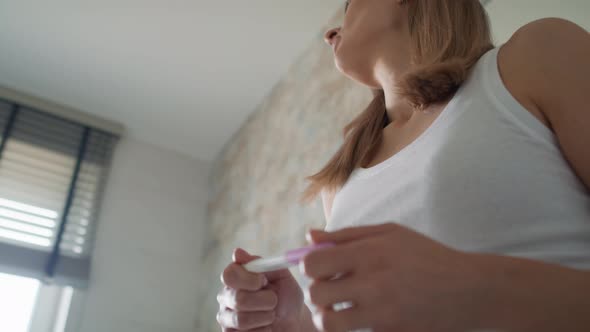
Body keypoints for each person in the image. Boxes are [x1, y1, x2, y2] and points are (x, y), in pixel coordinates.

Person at [216, 0, 590, 331]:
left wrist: (476, 289)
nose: (330, 31)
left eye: (350, 5)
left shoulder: (538, 54)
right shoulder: (340, 187)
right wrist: (293, 325)